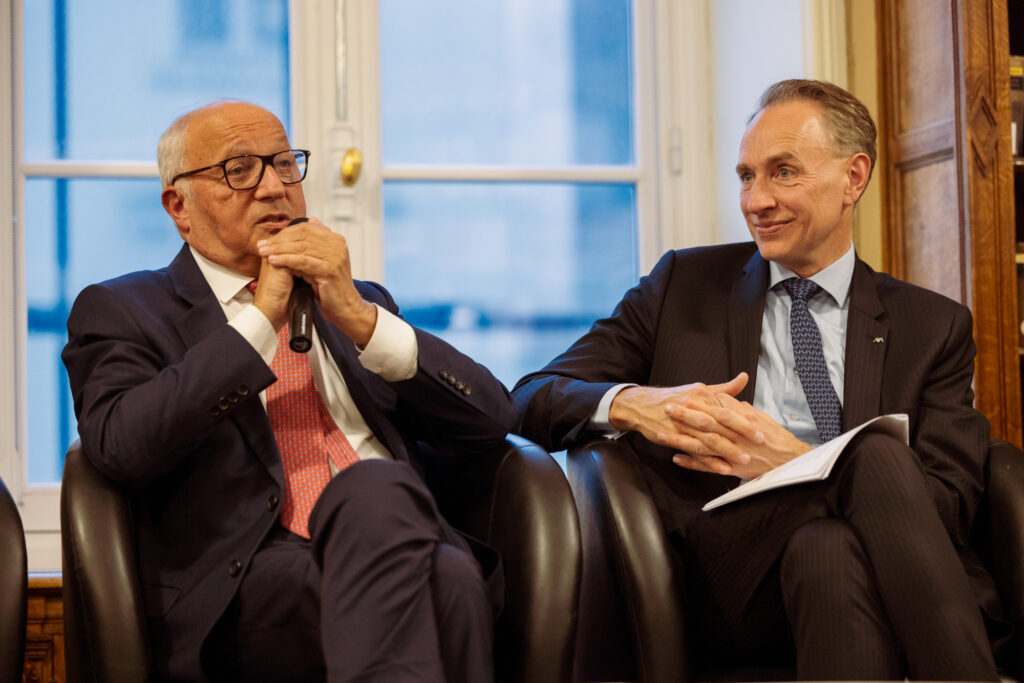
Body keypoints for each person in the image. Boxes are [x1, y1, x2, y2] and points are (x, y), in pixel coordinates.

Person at [513, 79, 1003, 680]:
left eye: (783, 172)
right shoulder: (681, 287)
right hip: (724, 579)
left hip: (869, 572)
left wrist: (795, 461)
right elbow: (529, 396)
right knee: (874, 455)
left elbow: (949, 505)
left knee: (828, 550)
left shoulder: (933, 326)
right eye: (746, 176)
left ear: (853, 178)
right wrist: (633, 404)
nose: (756, 200)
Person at [62, 100, 516, 683]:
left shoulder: (354, 300)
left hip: (399, 549)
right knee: (407, 531)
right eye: (239, 170)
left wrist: (361, 318)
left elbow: (491, 419)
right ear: (179, 205)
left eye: (284, 164)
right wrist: (261, 319)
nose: (275, 187)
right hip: (247, 584)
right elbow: (120, 445)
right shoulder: (123, 309)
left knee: (444, 570)